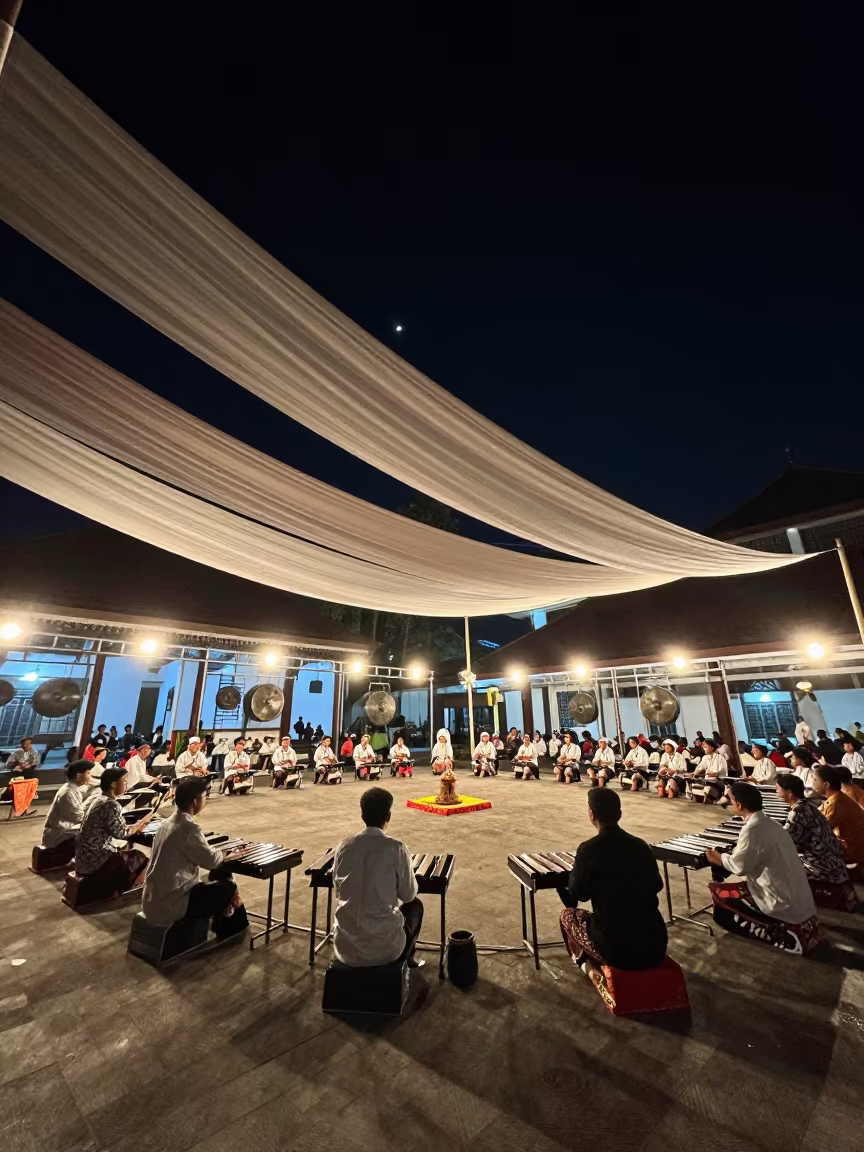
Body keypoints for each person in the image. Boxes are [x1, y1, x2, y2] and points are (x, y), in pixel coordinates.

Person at [559, 787, 667, 984]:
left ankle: (589, 968)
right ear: (619, 814)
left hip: (618, 950)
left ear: (591, 815)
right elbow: (657, 885)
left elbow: (577, 893)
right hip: (656, 943)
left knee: (568, 916)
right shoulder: (641, 845)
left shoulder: (588, 849)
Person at [703, 782, 823, 953]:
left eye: (729, 799)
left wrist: (719, 858)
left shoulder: (753, 829)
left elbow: (740, 866)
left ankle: (769, 930)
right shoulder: (772, 824)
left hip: (781, 899)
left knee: (720, 894)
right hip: (798, 895)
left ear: (739, 804)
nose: (727, 802)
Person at [142, 776, 247, 937]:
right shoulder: (189, 828)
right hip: (173, 900)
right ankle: (227, 927)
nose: (206, 800)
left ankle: (226, 914)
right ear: (194, 801)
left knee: (221, 874)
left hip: (154, 896)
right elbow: (212, 860)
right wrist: (228, 854)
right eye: (204, 796)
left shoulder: (166, 823)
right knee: (228, 887)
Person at [332, 786, 424, 968]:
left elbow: (338, 889)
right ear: (388, 816)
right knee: (415, 906)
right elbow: (408, 895)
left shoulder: (344, 846)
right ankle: (407, 958)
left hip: (345, 947)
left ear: (362, 815)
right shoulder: (396, 848)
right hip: (386, 949)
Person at [75, 767, 152, 891]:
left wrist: (133, 826)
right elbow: (121, 834)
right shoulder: (110, 804)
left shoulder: (99, 799)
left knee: (125, 851)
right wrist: (138, 825)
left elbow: (113, 827)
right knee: (140, 857)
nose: (127, 784)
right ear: (113, 784)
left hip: (83, 856)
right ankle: (130, 888)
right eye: (124, 781)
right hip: (95, 858)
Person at [775, 774, 850, 887]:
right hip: (834, 862)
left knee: (775, 865)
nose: (775, 791)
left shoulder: (797, 812)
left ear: (789, 792)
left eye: (778, 789)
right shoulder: (809, 805)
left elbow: (784, 841)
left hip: (822, 867)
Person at [812, 764, 864, 864]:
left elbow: (820, 830)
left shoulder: (836, 803)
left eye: (815, 780)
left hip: (854, 850)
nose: (812, 783)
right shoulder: (838, 797)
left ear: (826, 784)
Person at [41, 760, 92, 857]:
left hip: (65, 830)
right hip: (59, 835)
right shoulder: (68, 792)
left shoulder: (72, 788)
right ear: (78, 776)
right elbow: (77, 818)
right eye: (88, 773)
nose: (90, 776)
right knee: (94, 832)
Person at [690, 737, 725, 803]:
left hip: (717, 781)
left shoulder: (720, 757)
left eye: (706, 747)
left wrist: (716, 774)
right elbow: (699, 768)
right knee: (695, 784)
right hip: (707, 780)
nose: (704, 749)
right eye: (703, 747)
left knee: (708, 788)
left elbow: (723, 771)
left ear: (712, 748)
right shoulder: (705, 758)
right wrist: (693, 773)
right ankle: (705, 797)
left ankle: (712, 797)